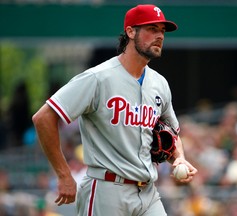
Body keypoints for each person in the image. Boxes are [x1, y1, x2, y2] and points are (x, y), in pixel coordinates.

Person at [32, 4, 197, 216]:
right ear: (130, 31)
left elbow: (172, 133)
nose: (159, 36)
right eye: (152, 29)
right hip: (106, 189)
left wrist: (180, 157)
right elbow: (43, 117)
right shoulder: (98, 78)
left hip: (147, 192)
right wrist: (63, 174)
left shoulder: (160, 84)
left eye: (162, 31)